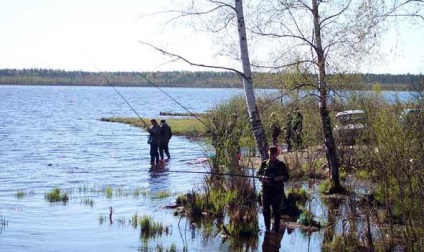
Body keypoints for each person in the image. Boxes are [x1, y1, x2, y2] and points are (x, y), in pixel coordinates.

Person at [257, 146, 289, 232]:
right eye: (270, 154)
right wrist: (263, 178)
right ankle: (267, 229)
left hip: (276, 192)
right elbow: (258, 174)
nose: (272, 156)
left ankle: (276, 229)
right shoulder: (264, 163)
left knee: (276, 211)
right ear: (268, 153)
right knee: (265, 211)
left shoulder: (281, 165)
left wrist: (278, 178)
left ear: (276, 154)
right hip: (265, 192)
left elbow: (286, 176)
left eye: (273, 154)